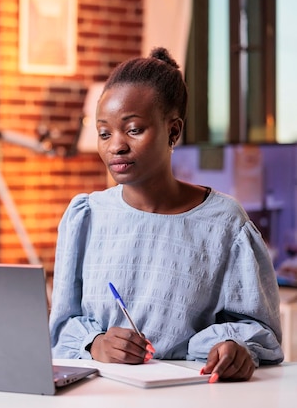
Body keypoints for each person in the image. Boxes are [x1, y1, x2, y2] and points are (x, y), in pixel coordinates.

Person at [49, 47, 284, 382]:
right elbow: (61, 328)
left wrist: (233, 347)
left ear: (173, 132)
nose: (116, 145)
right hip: (100, 394)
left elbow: (261, 331)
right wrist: (95, 343)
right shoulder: (85, 217)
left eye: (133, 129)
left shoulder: (225, 223)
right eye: (104, 133)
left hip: (195, 393)